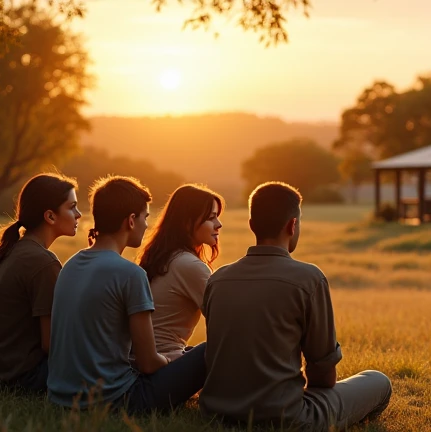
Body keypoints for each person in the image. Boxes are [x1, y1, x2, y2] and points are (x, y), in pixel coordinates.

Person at [200, 181, 392, 431]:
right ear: (292, 225)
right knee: (378, 382)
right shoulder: (308, 278)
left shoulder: (218, 279)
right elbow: (323, 375)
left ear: (251, 226)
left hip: (217, 412)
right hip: (286, 417)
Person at [47, 176, 206, 414]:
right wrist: (171, 360)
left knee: (189, 354)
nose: (146, 225)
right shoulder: (130, 274)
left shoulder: (70, 265)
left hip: (60, 395)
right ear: (131, 220)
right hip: (117, 400)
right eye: (145, 218)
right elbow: (148, 363)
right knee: (209, 352)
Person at [0, 173, 80, 393]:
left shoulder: (14, 250)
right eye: (72, 207)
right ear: (50, 216)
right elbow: (52, 345)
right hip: (18, 379)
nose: (79, 214)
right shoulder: (43, 263)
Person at [137, 184, 223, 360]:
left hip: (140, 360)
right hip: (166, 361)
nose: (218, 225)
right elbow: (228, 320)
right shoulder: (188, 265)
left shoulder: (164, 257)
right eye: (211, 218)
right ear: (187, 222)